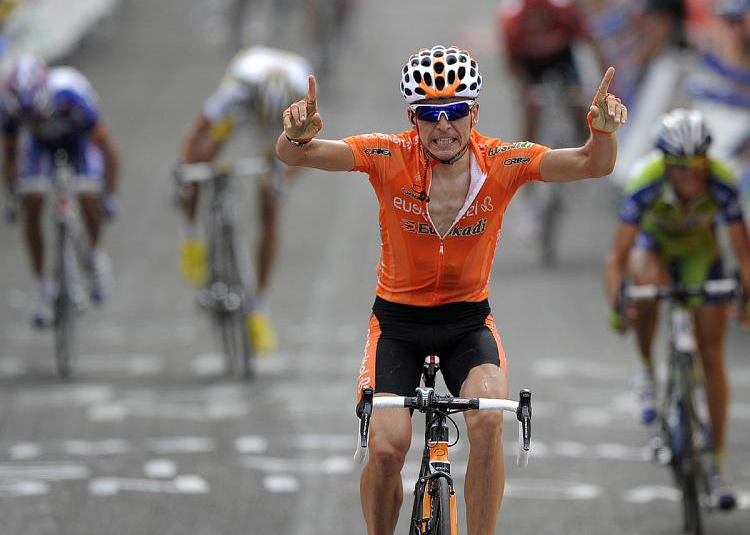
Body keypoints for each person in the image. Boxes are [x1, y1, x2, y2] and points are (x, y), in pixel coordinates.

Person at [277, 44, 626, 534]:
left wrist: (602, 133)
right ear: (412, 118)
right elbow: (301, 156)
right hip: (397, 324)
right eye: (430, 114)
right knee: (386, 448)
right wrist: (293, 138)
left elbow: (593, 164)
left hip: (467, 322)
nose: (443, 125)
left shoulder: (503, 162)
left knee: (487, 422)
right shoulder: (386, 154)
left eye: (455, 111)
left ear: (474, 112)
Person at [604, 108, 750, 510]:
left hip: (701, 254)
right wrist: (620, 306)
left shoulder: (723, 183)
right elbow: (616, 259)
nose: (691, 176)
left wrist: (745, 300)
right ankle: (647, 370)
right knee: (647, 285)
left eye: (697, 164)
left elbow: (743, 253)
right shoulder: (645, 182)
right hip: (655, 249)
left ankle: (716, 463)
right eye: (681, 167)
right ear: (666, 163)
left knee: (712, 353)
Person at [177, 45, 312, 354]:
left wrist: (279, 180)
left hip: (279, 122)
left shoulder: (302, 102)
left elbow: (307, 153)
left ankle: (259, 306)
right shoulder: (237, 92)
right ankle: (191, 236)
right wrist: (187, 172)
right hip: (242, 108)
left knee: (270, 201)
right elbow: (196, 133)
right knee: (202, 159)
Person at [1, 54, 119, 326]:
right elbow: (9, 156)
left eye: (38, 116)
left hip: (78, 142)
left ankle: (97, 259)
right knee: (31, 203)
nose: (35, 122)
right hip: (39, 148)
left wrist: (109, 195)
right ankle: (42, 289)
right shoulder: (9, 110)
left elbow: (109, 152)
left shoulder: (70, 95)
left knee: (89, 195)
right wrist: (11, 195)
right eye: (27, 119)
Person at [498, 0, 604, 143]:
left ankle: (589, 145)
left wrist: (603, 76)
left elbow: (591, 42)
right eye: (532, 13)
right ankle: (524, 155)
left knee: (578, 104)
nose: (538, 19)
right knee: (532, 111)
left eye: (542, 12)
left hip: (561, 58)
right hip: (530, 65)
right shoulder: (511, 21)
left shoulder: (566, 11)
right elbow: (511, 64)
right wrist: (527, 89)